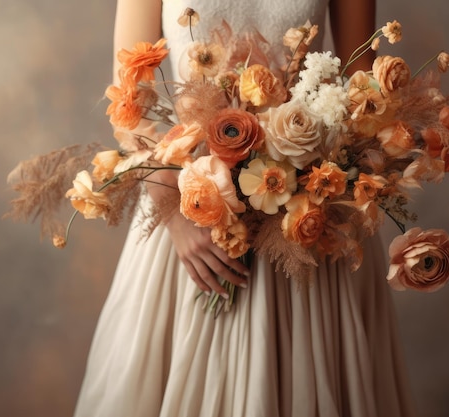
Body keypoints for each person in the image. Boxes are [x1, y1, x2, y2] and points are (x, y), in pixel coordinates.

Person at [74, 1, 417, 416]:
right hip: (190, 212)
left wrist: (327, 174)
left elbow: (363, 90)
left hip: (305, 214)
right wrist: (177, 217)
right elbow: (128, 108)